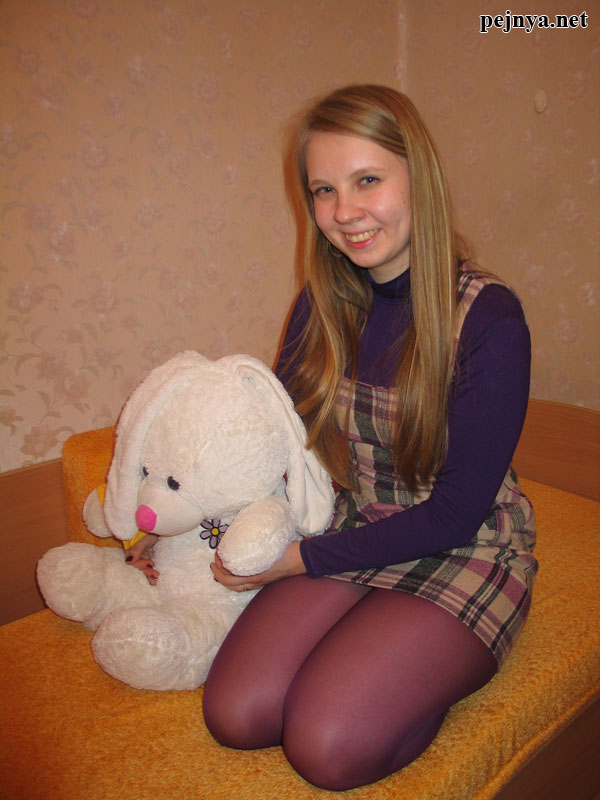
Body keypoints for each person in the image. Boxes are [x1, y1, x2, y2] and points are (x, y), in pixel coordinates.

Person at [203, 84, 537, 791]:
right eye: (324, 190)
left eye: (367, 181)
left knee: (324, 746)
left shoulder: (488, 318)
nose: (345, 212)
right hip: (353, 522)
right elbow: (273, 442)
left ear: (420, 179)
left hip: (463, 542)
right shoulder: (321, 305)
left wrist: (299, 560)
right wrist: (192, 526)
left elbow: (456, 513)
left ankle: (417, 672)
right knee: (237, 714)